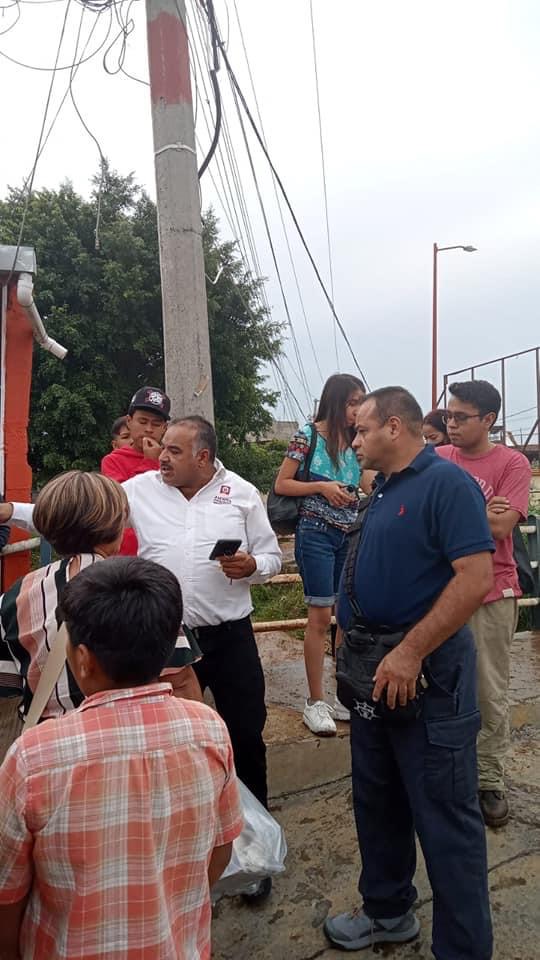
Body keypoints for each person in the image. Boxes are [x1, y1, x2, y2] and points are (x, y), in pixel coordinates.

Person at [0, 556, 243, 960]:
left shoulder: (34, 757)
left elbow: (7, 894)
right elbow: (220, 851)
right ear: (170, 646)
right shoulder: (209, 730)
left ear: (83, 659)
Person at [324, 386, 494, 959]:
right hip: (375, 673)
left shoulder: (446, 485)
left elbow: (474, 578)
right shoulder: (384, 489)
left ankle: (464, 951)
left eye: (362, 429)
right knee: (378, 801)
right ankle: (388, 912)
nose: (354, 440)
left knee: (446, 819)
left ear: (394, 427)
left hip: (427, 677)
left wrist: (411, 651)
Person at [0, 471, 201, 722]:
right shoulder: (140, 586)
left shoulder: (15, 596)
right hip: (134, 738)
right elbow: (180, 682)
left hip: (49, 746)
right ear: (117, 525)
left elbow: (8, 683)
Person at [437, 380, 531, 828]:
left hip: (493, 592)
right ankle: (448, 771)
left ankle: (489, 778)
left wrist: (455, 509)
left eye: (460, 417)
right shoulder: (437, 458)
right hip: (441, 590)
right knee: (440, 685)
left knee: (489, 689)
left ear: (488, 420)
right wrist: (480, 505)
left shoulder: (513, 463)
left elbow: (500, 527)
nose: (450, 424)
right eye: (448, 416)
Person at [275, 373, 373, 736]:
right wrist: (323, 487)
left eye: (361, 402)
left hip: (348, 534)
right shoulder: (307, 435)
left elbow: (367, 481)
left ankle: (340, 695)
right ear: (335, 401)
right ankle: (315, 701)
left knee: (344, 616)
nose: (357, 409)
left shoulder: (356, 441)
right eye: (352, 402)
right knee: (319, 615)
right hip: (315, 532)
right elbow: (282, 483)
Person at [101, 386, 171, 555]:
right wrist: (150, 463)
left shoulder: (172, 459)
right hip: (126, 553)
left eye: (156, 424)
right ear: (129, 421)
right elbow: (124, 503)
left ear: (165, 428)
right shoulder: (113, 461)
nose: (149, 429)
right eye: (142, 421)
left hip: (163, 549)